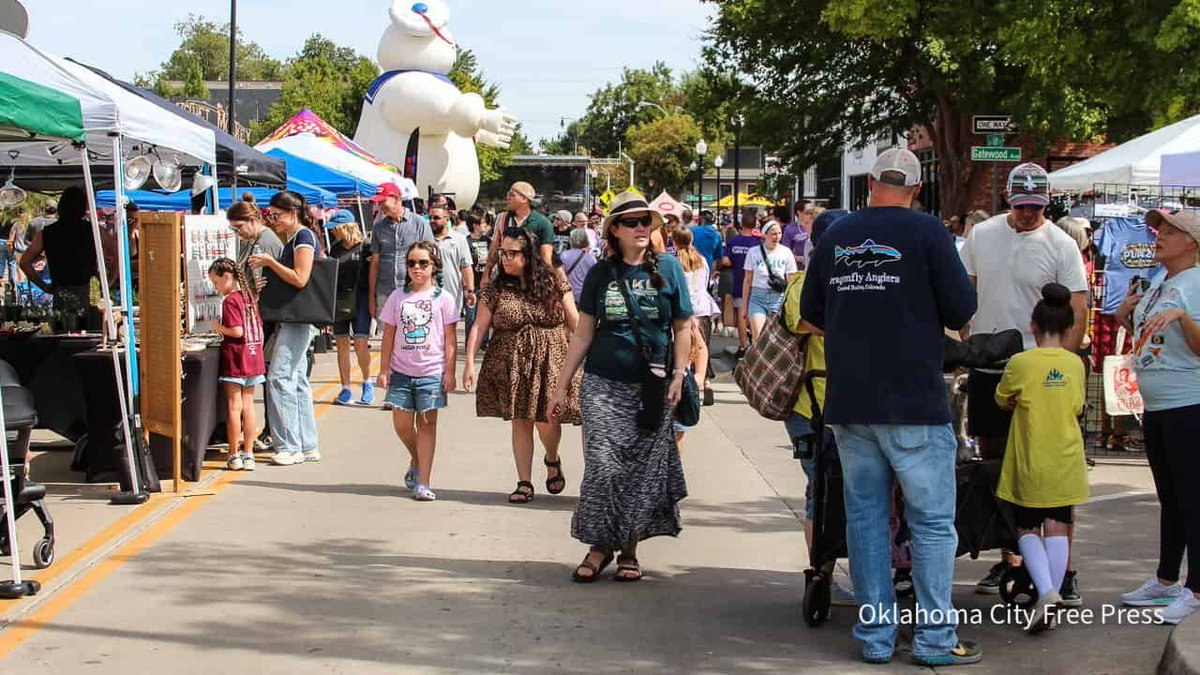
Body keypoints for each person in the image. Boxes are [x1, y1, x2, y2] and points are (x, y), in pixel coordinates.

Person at [800, 148, 980, 666]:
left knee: (866, 520)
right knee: (930, 523)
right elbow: (961, 308)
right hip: (914, 401)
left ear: (872, 182)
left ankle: (877, 638)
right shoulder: (929, 234)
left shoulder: (835, 236)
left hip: (852, 400)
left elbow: (813, 313)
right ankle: (934, 639)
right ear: (917, 189)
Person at [959, 163, 1089, 602]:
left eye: (1036, 207)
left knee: (1050, 471)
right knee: (996, 465)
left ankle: (1063, 569)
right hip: (991, 365)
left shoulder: (1060, 244)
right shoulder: (984, 234)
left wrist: (1061, 365)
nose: (1029, 214)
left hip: (1041, 368)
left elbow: (1078, 306)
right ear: (1008, 202)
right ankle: (1012, 557)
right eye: (1021, 206)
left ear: (1046, 204)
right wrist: (967, 338)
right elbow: (966, 288)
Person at [549, 190, 692, 583]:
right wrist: (561, 386)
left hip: (653, 385)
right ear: (614, 230)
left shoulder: (668, 268)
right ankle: (598, 545)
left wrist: (680, 375)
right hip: (602, 383)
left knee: (639, 473)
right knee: (602, 467)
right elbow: (583, 333)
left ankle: (628, 548)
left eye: (646, 221)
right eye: (632, 222)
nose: (642, 227)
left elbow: (683, 327)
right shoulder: (601, 273)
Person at [1115, 209, 1200, 625]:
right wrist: (1125, 315)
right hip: (1158, 405)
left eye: (1171, 231)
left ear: (1192, 243)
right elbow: (1147, 338)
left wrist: (1184, 318)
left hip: (1189, 403)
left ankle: (1196, 588)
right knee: (1170, 496)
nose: (1160, 236)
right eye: (1160, 229)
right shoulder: (1160, 285)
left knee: (1192, 496)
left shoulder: (1196, 284)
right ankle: (1167, 578)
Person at [994, 283, 1088, 633]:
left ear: (1032, 325)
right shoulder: (1075, 364)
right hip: (1066, 455)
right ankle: (1053, 590)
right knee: (1059, 524)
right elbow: (1077, 405)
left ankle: (1046, 591)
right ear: (1068, 329)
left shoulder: (1020, 362)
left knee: (1027, 525)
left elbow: (1002, 398)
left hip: (1031, 455)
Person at [464, 226, 581, 504]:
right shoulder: (495, 288)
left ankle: (552, 458)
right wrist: (469, 361)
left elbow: (574, 319)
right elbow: (480, 326)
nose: (505, 258)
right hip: (511, 359)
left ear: (528, 255)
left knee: (547, 419)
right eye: (502, 253)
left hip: (551, 357)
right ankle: (524, 482)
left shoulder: (554, 281)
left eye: (512, 253)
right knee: (520, 420)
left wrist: (592, 350)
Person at [783, 208, 856, 605]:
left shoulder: (857, 281)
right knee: (821, 491)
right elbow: (809, 320)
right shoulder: (802, 284)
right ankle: (821, 574)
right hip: (814, 409)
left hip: (854, 407)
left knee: (857, 493)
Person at [376, 241, 458, 501]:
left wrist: (450, 371)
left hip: (432, 371)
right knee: (402, 426)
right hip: (401, 371)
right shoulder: (397, 297)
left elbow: (450, 339)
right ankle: (416, 457)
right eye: (412, 263)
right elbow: (389, 334)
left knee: (427, 425)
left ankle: (424, 480)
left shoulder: (443, 298)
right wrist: (383, 369)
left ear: (434, 266)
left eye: (423, 263)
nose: (417, 268)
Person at [249, 191, 323, 466]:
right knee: (297, 379)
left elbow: (300, 278)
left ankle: (289, 445)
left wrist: (270, 263)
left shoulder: (303, 237)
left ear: (292, 213)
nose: (273, 220)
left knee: (280, 377)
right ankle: (306, 444)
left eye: (276, 216)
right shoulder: (296, 238)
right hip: (296, 317)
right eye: (270, 216)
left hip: (298, 319)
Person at [228, 201, 283, 451]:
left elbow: (260, 286)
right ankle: (270, 430)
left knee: (269, 376)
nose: (238, 232)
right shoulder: (251, 242)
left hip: (266, 318)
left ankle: (273, 431)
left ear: (252, 221)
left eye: (239, 227)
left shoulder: (265, 242)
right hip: (258, 316)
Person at [208, 258, 267, 472]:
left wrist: (218, 327)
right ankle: (248, 453)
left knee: (234, 407)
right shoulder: (248, 296)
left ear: (227, 277)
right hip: (254, 357)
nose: (216, 287)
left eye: (216, 282)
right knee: (248, 407)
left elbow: (237, 331)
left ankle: (233, 454)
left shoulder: (230, 300)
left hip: (236, 357)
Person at [20, 186, 98, 311]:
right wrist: (108, 280)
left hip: (60, 292)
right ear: (83, 207)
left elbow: (24, 262)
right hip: (87, 292)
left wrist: (43, 286)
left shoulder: (47, 233)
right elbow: (116, 251)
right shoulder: (93, 230)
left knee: (62, 326)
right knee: (89, 327)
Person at [368, 182, 435, 325]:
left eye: (383, 200)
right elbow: (374, 264)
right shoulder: (378, 228)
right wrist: (372, 297)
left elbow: (431, 258)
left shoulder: (419, 223)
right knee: (387, 337)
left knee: (412, 333)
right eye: (379, 202)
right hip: (385, 291)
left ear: (397, 198)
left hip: (413, 291)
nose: (380, 206)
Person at [326, 210, 374, 406]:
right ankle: (345, 387)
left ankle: (367, 380)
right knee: (342, 343)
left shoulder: (366, 247)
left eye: (335, 229)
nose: (333, 233)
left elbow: (373, 274)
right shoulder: (335, 249)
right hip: (340, 299)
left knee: (361, 342)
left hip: (361, 297)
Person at [673, 228, 718, 406]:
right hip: (702, 308)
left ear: (675, 242)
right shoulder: (702, 260)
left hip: (684, 311)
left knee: (684, 348)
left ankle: (687, 384)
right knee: (702, 347)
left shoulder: (675, 262)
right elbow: (706, 284)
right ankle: (705, 381)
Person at [482, 182, 554, 283]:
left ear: (525, 199)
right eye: (508, 195)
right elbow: (494, 250)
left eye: (512, 195)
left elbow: (546, 258)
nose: (508, 198)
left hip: (531, 281)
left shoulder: (543, 223)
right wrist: (486, 275)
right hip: (505, 279)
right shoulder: (502, 218)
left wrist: (547, 282)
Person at [741, 220, 797, 342]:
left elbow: (791, 280)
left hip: (778, 298)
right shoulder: (753, 252)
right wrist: (744, 306)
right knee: (759, 336)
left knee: (776, 338)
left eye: (779, 233)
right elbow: (747, 280)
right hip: (757, 297)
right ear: (764, 234)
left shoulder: (786, 252)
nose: (777, 237)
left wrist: (791, 305)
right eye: (773, 233)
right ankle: (759, 361)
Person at [720, 211, 761, 356]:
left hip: (739, 281)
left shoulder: (733, 241)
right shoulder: (758, 243)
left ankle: (743, 346)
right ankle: (758, 345)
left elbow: (725, 261)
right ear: (754, 224)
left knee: (742, 315)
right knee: (756, 314)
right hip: (756, 283)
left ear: (741, 224)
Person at [429, 205, 475, 314]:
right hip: (430, 297)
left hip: (453, 296)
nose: (432, 221)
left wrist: (470, 291)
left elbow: (466, 266)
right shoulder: (425, 239)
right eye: (430, 217)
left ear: (447, 219)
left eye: (436, 218)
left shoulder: (459, 239)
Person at [561, 228, 597, 302]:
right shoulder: (591, 258)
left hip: (569, 296)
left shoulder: (564, 255)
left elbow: (561, 277)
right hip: (585, 295)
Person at [779, 205, 810, 269]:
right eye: (807, 211)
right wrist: (800, 258)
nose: (810, 213)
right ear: (799, 212)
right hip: (798, 269)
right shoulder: (790, 229)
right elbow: (785, 252)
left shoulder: (816, 225)